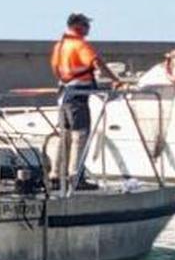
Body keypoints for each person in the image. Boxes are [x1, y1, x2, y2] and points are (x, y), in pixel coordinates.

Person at [49, 13, 124, 190]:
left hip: (64, 94)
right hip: (78, 95)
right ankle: (75, 177)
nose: (89, 29)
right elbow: (97, 63)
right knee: (79, 136)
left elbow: (55, 68)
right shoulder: (80, 45)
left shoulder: (60, 45)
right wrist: (116, 80)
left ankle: (55, 175)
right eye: (86, 25)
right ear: (78, 26)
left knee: (64, 136)